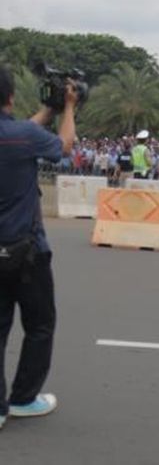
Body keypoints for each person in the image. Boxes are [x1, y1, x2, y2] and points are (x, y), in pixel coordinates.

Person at [0, 66, 78, 430]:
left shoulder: (21, 134)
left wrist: (49, 109)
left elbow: (22, 132)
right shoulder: (24, 136)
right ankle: (23, 399)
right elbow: (63, 147)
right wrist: (69, 109)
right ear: (11, 97)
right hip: (27, 252)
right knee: (39, 326)